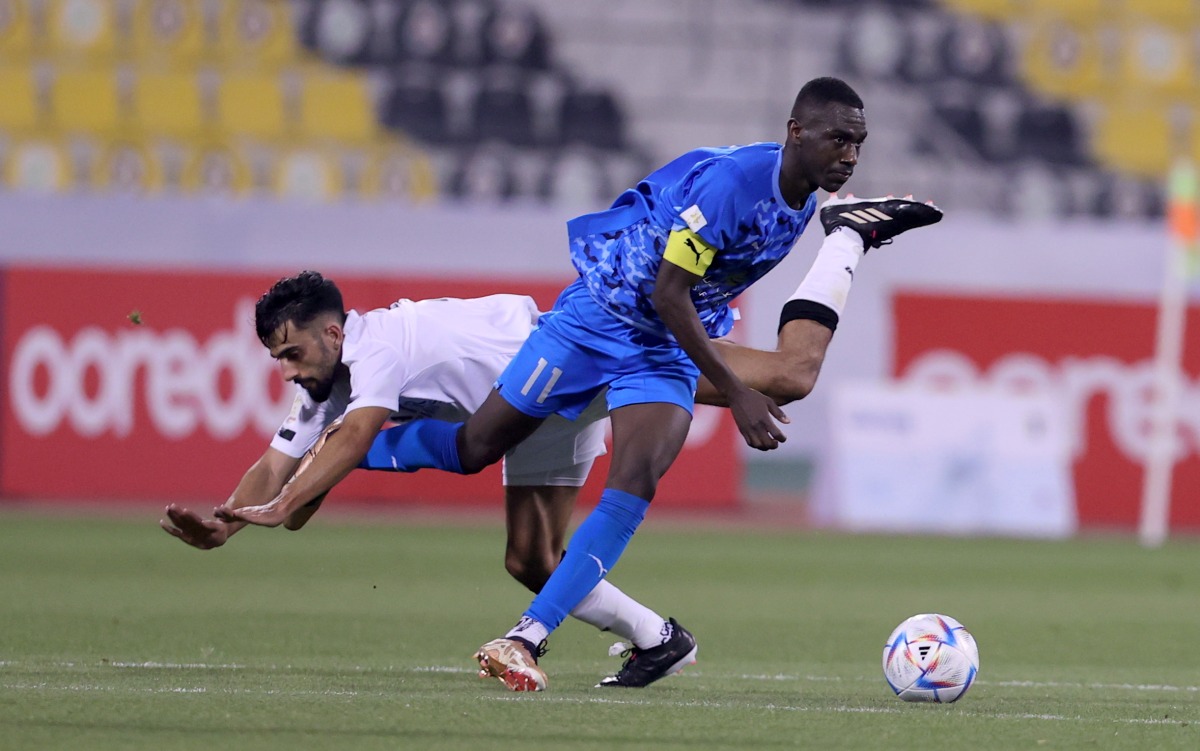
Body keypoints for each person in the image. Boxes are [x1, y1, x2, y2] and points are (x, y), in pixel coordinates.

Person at [220, 76, 942, 692]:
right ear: (794, 131)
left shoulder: (797, 198)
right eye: (835, 140)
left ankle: (526, 637)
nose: (848, 154)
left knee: (653, 464)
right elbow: (666, 289)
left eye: (858, 144)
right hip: (597, 316)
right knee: (477, 445)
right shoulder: (734, 184)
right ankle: (359, 454)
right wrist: (735, 389)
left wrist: (729, 377)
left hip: (662, 342)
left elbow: (685, 302)